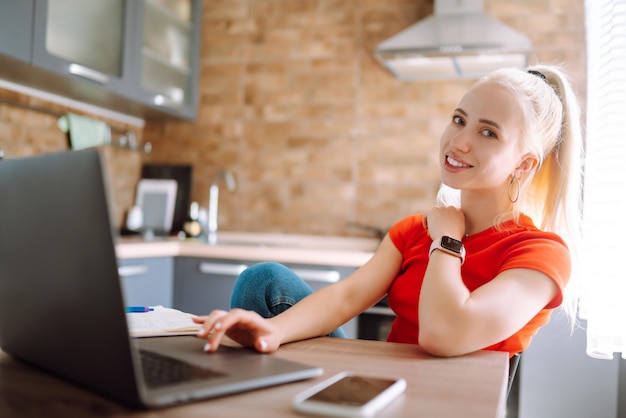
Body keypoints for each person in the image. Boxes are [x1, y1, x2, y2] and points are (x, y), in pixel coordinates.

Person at [194, 64, 584, 358]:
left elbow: (444, 334)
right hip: (386, 386)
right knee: (263, 281)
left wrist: (447, 243)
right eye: (459, 120)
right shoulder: (413, 230)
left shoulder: (541, 254)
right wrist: (272, 330)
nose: (458, 141)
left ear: (524, 165)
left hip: (453, 406)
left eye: (488, 132)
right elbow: (348, 298)